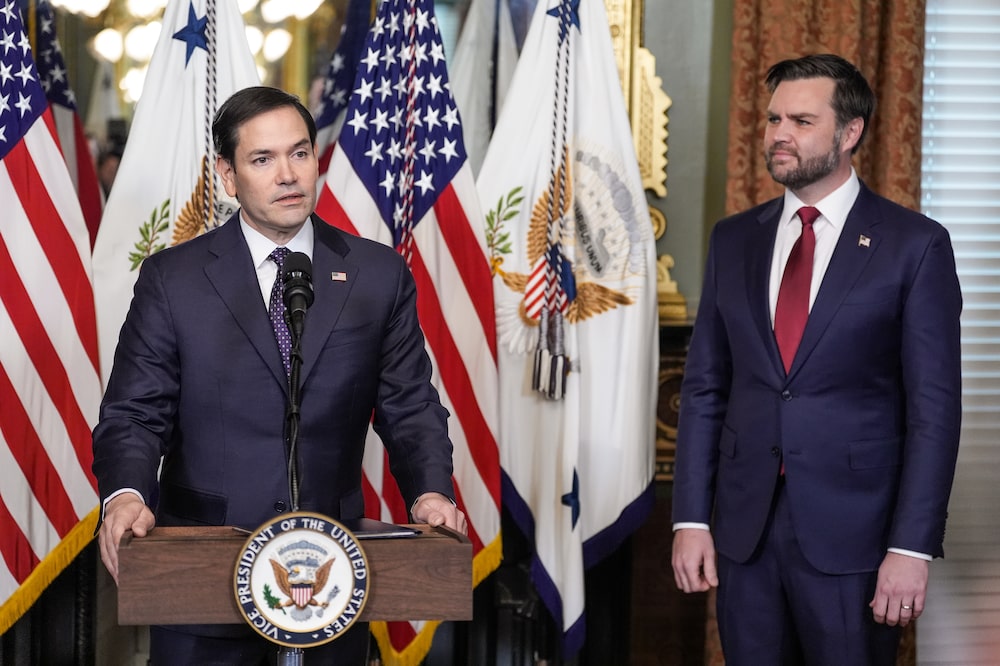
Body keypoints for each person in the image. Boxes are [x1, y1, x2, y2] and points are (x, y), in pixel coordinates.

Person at [92, 86, 467, 665]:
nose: (287, 175)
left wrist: (431, 491)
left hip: (333, 575)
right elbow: (136, 412)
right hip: (203, 577)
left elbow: (410, 404)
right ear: (227, 174)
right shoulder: (174, 279)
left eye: (299, 153)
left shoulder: (376, 274)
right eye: (262, 159)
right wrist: (126, 494)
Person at [670, 54, 962, 665]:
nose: (779, 133)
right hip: (743, 536)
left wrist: (911, 549)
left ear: (849, 133)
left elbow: (935, 412)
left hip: (857, 541)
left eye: (802, 120)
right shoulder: (734, 238)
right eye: (774, 117)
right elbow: (703, 390)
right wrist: (690, 519)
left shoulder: (915, 245)